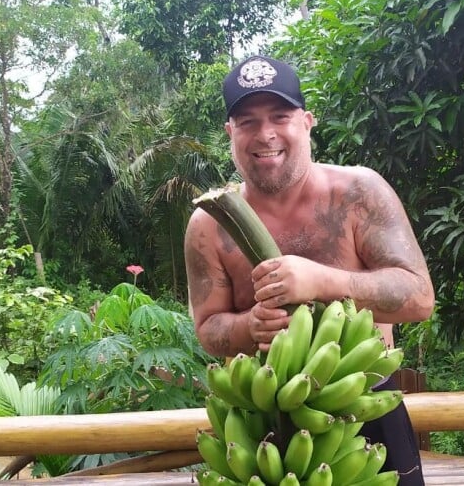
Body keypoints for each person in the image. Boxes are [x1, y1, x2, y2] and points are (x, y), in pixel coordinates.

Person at [184, 55, 435, 485]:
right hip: (262, 425)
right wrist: (251, 326)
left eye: (280, 116)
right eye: (247, 121)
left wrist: (323, 282)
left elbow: (418, 298)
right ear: (230, 132)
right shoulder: (210, 224)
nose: (265, 134)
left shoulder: (358, 193)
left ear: (306, 121)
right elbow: (209, 328)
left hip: (364, 411)